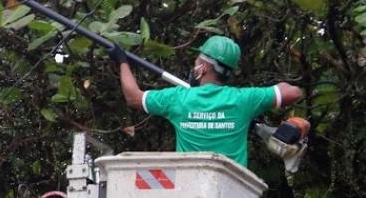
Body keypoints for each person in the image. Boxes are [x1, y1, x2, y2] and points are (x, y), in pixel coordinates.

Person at [112, 35, 302, 168]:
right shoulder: (244, 100)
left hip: (189, 188)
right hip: (233, 190)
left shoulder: (178, 99)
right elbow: (293, 92)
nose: (194, 67)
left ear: (203, 68)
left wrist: (122, 61)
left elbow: (133, 97)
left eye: (197, 63)